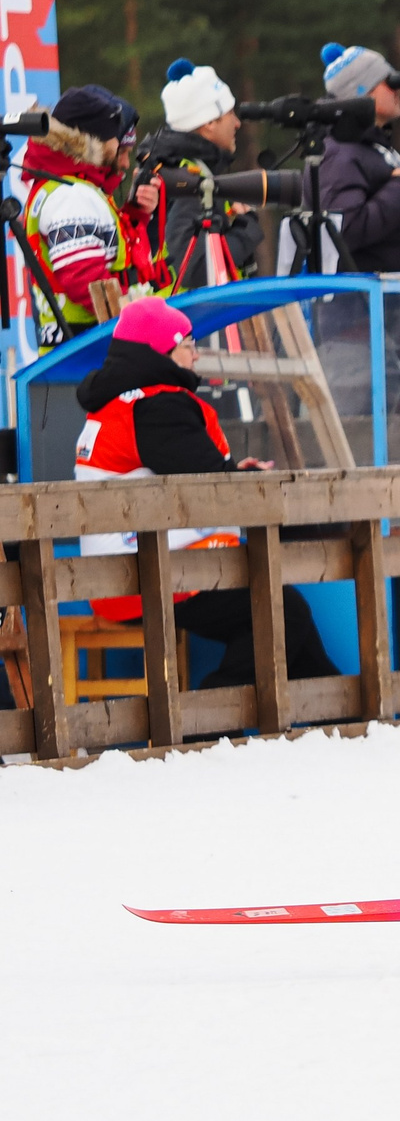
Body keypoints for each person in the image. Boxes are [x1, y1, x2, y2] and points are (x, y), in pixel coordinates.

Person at [73, 297, 334, 688]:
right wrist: (245, 482)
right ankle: (207, 723)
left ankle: (341, 717)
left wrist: (233, 473)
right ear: (161, 351)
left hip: (124, 575)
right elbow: (214, 488)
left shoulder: (119, 403)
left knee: (283, 612)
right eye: (188, 344)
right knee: (281, 609)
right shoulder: (158, 405)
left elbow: (196, 474)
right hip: (151, 576)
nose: (196, 355)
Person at [22, 84, 161, 343]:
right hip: (90, 351)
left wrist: (136, 215)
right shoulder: (71, 195)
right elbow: (87, 282)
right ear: (94, 140)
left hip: (82, 348)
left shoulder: (69, 188)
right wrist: (143, 325)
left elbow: (107, 260)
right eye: (116, 144)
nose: (124, 161)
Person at [314, 42, 400, 273]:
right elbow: (344, 229)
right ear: (362, 92)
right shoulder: (339, 153)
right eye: (389, 83)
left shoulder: (370, 147)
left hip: (390, 301)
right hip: (364, 304)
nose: (399, 90)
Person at [138, 58, 263, 287]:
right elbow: (195, 271)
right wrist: (246, 229)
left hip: (179, 315)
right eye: (230, 114)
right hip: (185, 318)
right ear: (209, 123)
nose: (237, 123)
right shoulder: (189, 179)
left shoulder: (175, 167)